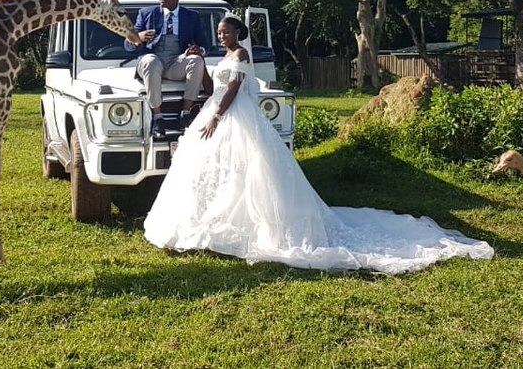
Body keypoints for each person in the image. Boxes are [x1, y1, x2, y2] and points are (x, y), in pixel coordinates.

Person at [143, 16, 494, 273]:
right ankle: (208, 221)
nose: (222, 36)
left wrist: (217, 116)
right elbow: (210, 86)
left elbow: (233, 90)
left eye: (227, 31)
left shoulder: (242, 57)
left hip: (232, 114)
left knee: (250, 168)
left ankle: (255, 223)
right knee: (216, 170)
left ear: (239, 33)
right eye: (219, 32)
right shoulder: (223, 56)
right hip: (216, 110)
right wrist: (201, 62)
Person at [124, 0, 208, 136]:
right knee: (151, 61)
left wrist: (198, 50)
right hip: (152, 61)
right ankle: (158, 117)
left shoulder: (192, 16)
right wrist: (138, 37)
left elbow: (205, 45)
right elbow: (127, 46)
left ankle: (185, 114)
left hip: (175, 62)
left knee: (197, 61)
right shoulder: (146, 13)